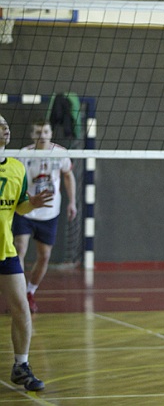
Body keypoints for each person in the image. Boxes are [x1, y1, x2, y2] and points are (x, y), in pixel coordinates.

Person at [0, 115, 53, 391]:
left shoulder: (16, 168)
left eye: (6, 125)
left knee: (21, 307)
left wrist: (31, 203)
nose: (5, 129)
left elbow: (18, 206)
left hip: (5, 250)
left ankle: (21, 366)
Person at [11, 121, 76, 314]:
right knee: (19, 249)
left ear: (51, 133)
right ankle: (19, 295)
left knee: (44, 256)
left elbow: (68, 176)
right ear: (33, 135)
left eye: (46, 131)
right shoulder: (24, 154)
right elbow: (17, 181)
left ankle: (30, 292)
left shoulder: (60, 153)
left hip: (49, 213)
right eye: (38, 132)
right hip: (26, 209)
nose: (43, 135)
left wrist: (72, 202)